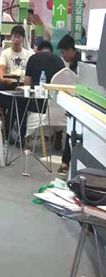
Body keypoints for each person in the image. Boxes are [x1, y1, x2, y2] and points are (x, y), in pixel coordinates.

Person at [58, 35, 82, 175]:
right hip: (75, 101)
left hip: (80, 102)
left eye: (64, 52)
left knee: (71, 131)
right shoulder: (73, 63)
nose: (63, 56)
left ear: (71, 50)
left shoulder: (80, 63)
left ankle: (66, 162)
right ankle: (66, 162)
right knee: (70, 130)